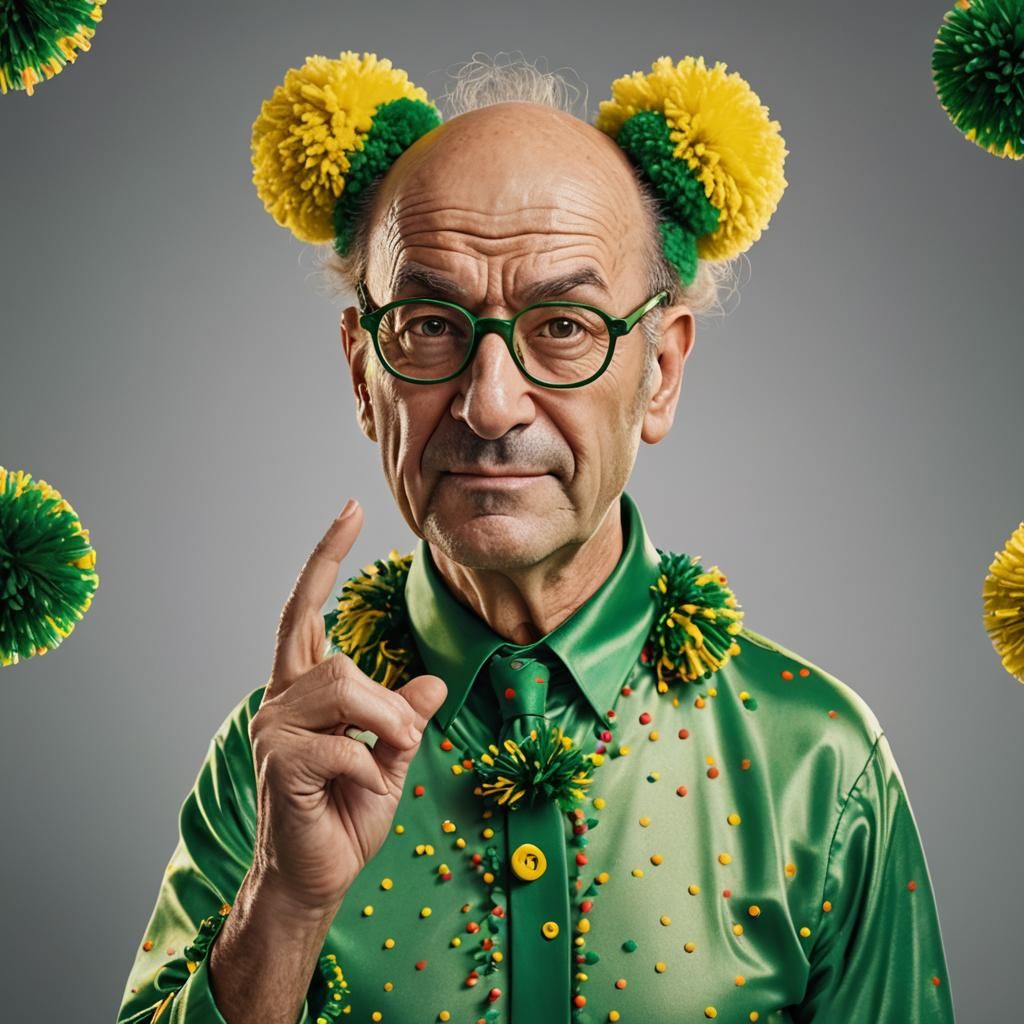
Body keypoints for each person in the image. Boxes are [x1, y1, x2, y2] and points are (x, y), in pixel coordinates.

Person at [116, 52, 956, 1024]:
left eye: (562, 326)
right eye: (430, 324)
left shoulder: (820, 762)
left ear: (662, 370)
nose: (489, 403)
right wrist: (285, 905)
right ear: (361, 374)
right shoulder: (276, 761)